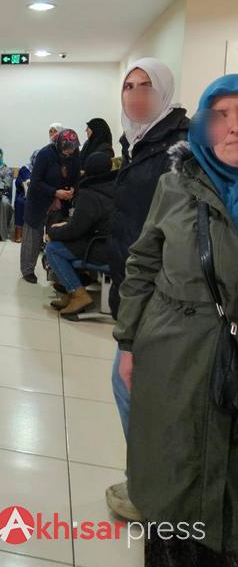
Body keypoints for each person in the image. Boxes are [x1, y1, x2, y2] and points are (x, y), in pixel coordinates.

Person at [114, 74, 238, 565]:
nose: (233, 128)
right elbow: (144, 261)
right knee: (172, 478)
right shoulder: (175, 184)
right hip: (173, 350)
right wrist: (127, 341)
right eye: (221, 116)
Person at [106, 57, 189, 522]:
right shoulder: (139, 142)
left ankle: (152, 489)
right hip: (136, 288)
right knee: (135, 388)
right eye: (128, 86)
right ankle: (150, 483)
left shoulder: (178, 147)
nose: (135, 95)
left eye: (146, 86)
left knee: (132, 388)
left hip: (163, 296)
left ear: (164, 92)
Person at [45, 151, 115, 317]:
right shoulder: (116, 187)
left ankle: (78, 294)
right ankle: (71, 293)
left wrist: (53, 231)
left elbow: (75, 230)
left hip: (98, 247)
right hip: (114, 245)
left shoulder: (90, 193)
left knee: (53, 248)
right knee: (64, 245)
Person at [20, 129, 80, 284]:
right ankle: (28, 270)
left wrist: (73, 189)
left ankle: (54, 272)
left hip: (61, 203)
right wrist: (54, 193)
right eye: (67, 150)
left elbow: (75, 177)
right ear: (60, 145)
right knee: (33, 237)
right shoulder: (45, 154)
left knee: (55, 237)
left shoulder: (75, 154)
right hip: (39, 201)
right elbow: (36, 182)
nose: (70, 152)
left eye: (73, 149)